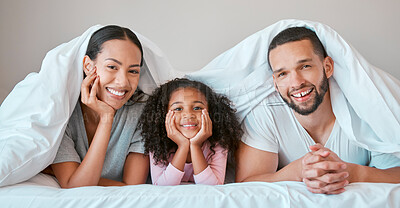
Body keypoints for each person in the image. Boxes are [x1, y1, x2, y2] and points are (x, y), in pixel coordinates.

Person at [235, 27, 400, 194]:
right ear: (275, 82)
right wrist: (297, 172)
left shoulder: (364, 108)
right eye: (283, 74)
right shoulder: (266, 115)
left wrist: (352, 173)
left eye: (305, 66)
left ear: (327, 67)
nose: (296, 83)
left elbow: (396, 173)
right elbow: (245, 185)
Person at [49, 25, 149, 188]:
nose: (123, 82)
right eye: (112, 67)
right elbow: (75, 186)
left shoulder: (142, 112)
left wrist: (106, 117)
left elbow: (132, 189)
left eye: (133, 71)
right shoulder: (62, 112)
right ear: (88, 66)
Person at [138, 78, 242, 185]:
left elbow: (212, 187)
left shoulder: (218, 143)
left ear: (211, 112)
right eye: (178, 109)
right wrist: (183, 145)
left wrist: (195, 146)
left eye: (197, 108)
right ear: (163, 115)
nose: (188, 114)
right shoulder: (157, 142)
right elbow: (163, 186)